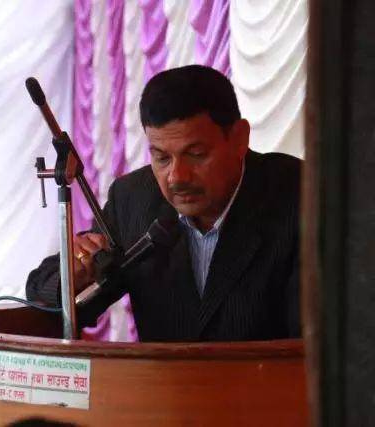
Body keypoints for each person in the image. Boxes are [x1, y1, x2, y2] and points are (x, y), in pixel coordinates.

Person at [25, 65, 301, 342]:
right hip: (161, 372)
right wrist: (75, 275)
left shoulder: (300, 196)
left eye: (196, 154)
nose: (177, 177)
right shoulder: (133, 199)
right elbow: (43, 293)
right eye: (162, 158)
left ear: (239, 139)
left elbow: (312, 342)